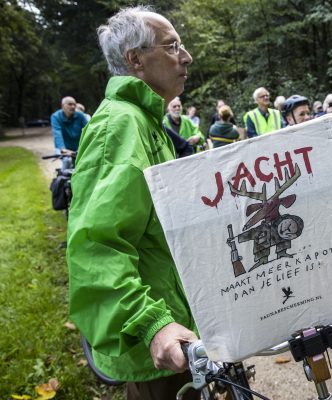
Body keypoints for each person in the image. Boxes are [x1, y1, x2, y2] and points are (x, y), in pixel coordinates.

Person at [66, 6, 201, 399]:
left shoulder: (147, 121)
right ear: (135, 60)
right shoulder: (121, 125)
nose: (186, 56)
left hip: (181, 331)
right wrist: (152, 323)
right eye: (173, 46)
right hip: (160, 349)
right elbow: (96, 246)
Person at [50, 96, 88, 168]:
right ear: (62, 106)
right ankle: (63, 177)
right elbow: (57, 133)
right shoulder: (56, 117)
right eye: (70, 104)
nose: (73, 106)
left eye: (74, 104)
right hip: (63, 148)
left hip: (77, 149)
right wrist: (63, 149)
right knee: (67, 160)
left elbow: (89, 130)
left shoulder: (80, 116)